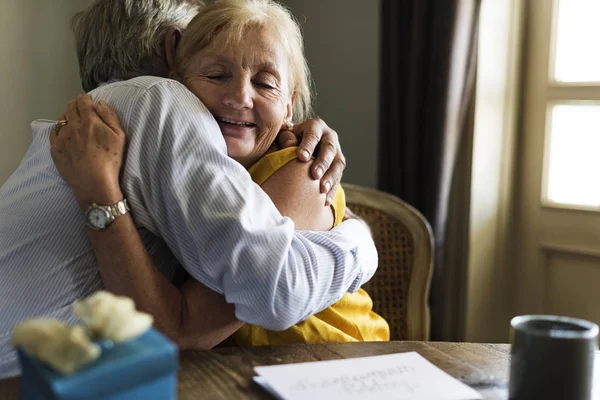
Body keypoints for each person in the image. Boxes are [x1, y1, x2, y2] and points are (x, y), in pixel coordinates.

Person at [0, 0, 378, 378]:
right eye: (215, 67)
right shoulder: (159, 101)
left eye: (264, 83)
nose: (240, 95)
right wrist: (360, 242)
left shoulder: (88, 122)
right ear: (175, 50)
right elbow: (198, 321)